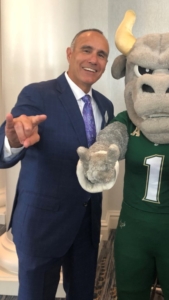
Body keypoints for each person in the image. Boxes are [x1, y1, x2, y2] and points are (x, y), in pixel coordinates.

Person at [0, 29, 114, 300]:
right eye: (86, 50)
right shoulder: (38, 94)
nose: (94, 59)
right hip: (42, 225)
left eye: (102, 55)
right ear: (69, 53)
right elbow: (8, 141)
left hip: (86, 227)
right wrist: (13, 139)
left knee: (83, 294)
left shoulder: (105, 106)